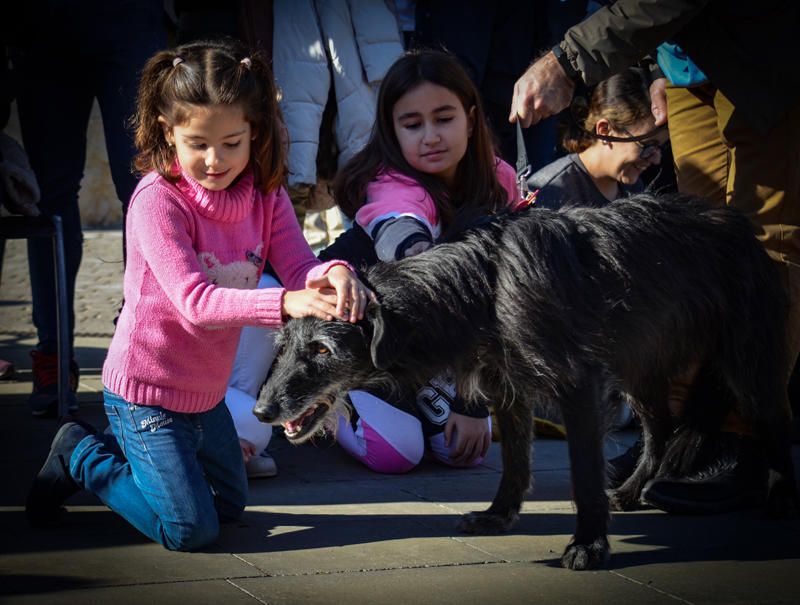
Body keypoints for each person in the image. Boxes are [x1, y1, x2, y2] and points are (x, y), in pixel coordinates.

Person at [25, 38, 372, 551]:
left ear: (254, 131)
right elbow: (196, 302)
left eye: (233, 143)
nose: (216, 160)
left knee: (230, 508)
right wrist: (285, 304)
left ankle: (148, 459)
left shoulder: (264, 190)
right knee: (190, 529)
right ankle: (81, 453)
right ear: (169, 132)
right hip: (147, 391)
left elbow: (298, 264)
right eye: (198, 143)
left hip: (205, 395)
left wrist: (335, 272)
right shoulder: (156, 201)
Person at [509, 0, 800, 514]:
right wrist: (657, 66)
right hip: (687, 63)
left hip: (769, 51)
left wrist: (568, 60)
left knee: (763, 248)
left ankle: (745, 443)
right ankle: (675, 442)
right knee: (693, 258)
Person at [321, 49, 523, 473]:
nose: (430, 136)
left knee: (463, 453)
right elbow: (412, 254)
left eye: (444, 118)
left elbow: (507, 297)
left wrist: (474, 402)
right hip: (355, 333)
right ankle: (331, 395)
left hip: (426, 341)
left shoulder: (500, 178)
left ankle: (418, 399)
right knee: (396, 453)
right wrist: (470, 400)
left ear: (470, 117)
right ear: (393, 133)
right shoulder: (392, 189)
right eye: (412, 125)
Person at [9, 0, 167, 417]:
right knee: (47, 201)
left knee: (145, 188)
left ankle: (140, 342)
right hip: (41, 25)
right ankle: (53, 358)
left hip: (131, 19)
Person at [528, 67, 667, 209]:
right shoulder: (551, 192)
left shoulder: (633, 185)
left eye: (660, 148)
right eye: (648, 146)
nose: (656, 160)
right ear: (604, 130)